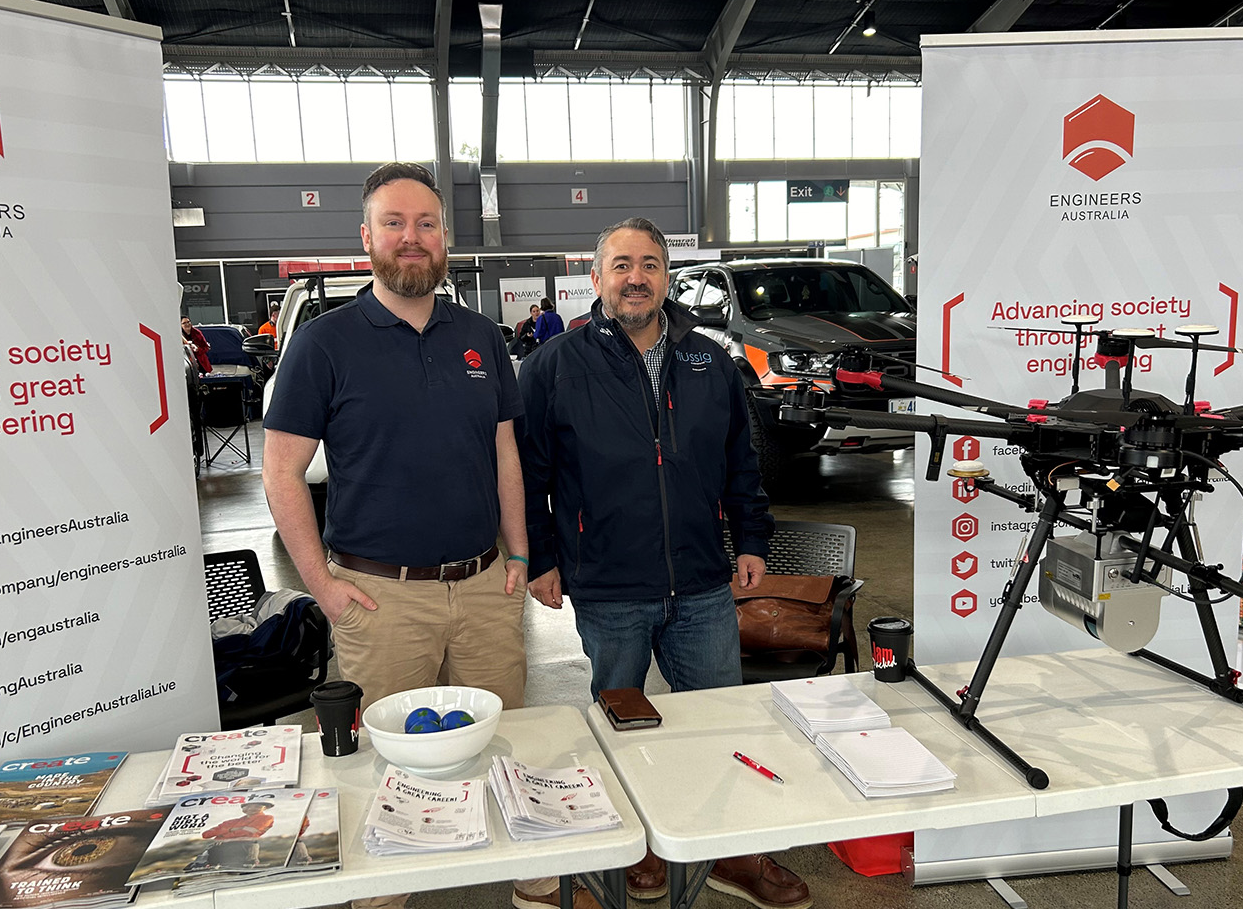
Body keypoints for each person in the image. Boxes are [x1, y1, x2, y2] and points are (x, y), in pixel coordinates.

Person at [261, 162, 542, 909]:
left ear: (444, 237)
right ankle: (385, 894)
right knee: (385, 767)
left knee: (505, 745)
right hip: (382, 597)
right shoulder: (323, 344)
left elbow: (505, 451)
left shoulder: (481, 337)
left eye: (425, 224)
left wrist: (517, 553)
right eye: (394, 223)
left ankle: (530, 880)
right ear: (367, 237)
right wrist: (321, 585)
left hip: (485, 586)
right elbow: (283, 471)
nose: (411, 238)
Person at [517, 217, 811, 909]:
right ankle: (639, 848)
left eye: (649, 263)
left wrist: (751, 538)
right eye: (620, 264)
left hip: (703, 583)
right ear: (595, 278)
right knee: (620, 725)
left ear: (667, 276)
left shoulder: (709, 360)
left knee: (721, 722)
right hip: (609, 582)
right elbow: (531, 472)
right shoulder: (556, 365)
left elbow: (741, 461)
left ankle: (733, 852)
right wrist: (541, 557)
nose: (636, 277)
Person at [188, 802, 274, 870]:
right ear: (243, 808)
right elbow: (206, 834)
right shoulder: (230, 822)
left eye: (257, 806)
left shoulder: (267, 818)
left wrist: (222, 835)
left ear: (265, 808)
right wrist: (233, 829)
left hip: (244, 850)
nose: (252, 809)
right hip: (220, 851)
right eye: (248, 806)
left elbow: (250, 833)